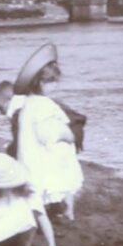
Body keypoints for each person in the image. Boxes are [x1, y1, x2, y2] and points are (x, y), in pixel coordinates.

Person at [13, 44, 83, 220]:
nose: (55, 86)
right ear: (40, 83)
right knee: (65, 160)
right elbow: (47, 135)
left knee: (40, 182)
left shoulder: (29, 103)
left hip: (31, 153)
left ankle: (54, 208)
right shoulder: (44, 105)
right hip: (40, 154)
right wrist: (66, 136)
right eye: (51, 82)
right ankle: (66, 210)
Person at [0, 80, 87, 157]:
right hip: (72, 131)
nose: (1, 112)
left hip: (62, 139)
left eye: (0, 107)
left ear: (10, 99)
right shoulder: (37, 100)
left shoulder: (18, 113)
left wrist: (9, 151)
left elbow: (19, 144)